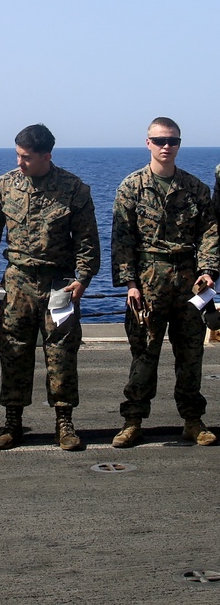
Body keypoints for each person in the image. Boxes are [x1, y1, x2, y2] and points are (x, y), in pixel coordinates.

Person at [0, 124, 100, 451]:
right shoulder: (3, 187)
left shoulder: (73, 190)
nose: (20, 162)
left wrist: (82, 279)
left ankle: (64, 422)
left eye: (26, 157)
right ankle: (12, 423)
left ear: (47, 156)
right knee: (13, 351)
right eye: (17, 155)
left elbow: (87, 242)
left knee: (61, 353)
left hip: (59, 283)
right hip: (17, 282)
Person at [110, 117, 218, 448]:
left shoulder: (196, 189)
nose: (166, 146)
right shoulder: (131, 187)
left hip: (189, 284)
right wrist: (130, 283)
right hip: (148, 282)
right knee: (144, 355)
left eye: (172, 141)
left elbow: (210, 233)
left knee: (190, 356)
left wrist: (209, 271)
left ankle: (192, 420)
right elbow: (122, 239)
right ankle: (132, 421)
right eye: (159, 141)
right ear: (148, 143)